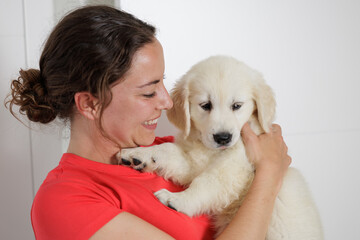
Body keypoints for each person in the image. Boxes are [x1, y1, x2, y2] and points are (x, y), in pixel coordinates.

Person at [5, 5, 291, 240]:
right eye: (148, 91)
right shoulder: (65, 201)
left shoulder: (172, 150)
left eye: (163, 84)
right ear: (90, 104)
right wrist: (269, 174)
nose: (167, 102)